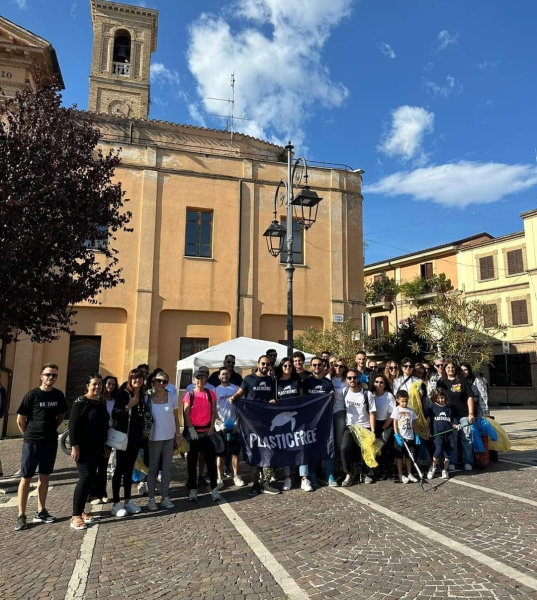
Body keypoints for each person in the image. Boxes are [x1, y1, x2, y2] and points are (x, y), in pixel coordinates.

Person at [15, 363, 68, 531]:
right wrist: (29, 434)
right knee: (26, 478)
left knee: (44, 477)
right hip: (31, 442)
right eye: (48, 374)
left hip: (50, 442)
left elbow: (60, 417)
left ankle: (41, 511)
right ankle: (21, 515)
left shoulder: (59, 395)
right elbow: (20, 420)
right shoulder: (32, 395)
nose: (51, 378)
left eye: (54, 375)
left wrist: (50, 430)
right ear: (41, 376)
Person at [229, 355, 279, 496]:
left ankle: (266, 483)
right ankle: (255, 483)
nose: (265, 366)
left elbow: (274, 397)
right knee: (254, 451)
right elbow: (239, 393)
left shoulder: (271, 380)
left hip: (267, 422)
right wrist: (233, 398)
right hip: (251, 422)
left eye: (267, 364)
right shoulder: (249, 379)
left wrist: (273, 401)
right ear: (258, 364)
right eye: (263, 363)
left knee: (268, 450)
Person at [69, 374, 110, 530]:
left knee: (91, 477)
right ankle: (75, 516)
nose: (97, 387)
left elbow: (104, 424)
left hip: (98, 446)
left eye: (99, 384)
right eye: (94, 384)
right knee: (85, 477)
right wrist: (75, 446)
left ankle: (81, 510)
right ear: (87, 385)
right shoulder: (81, 402)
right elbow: (73, 425)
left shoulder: (101, 402)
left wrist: (106, 444)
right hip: (83, 447)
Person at [111, 368, 147, 517]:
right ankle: (115, 503)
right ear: (130, 379)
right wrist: (128, 406)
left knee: (129, 470)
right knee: (119, 469)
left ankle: (127, 500)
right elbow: (115, 413)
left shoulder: (141, 395)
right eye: (134, 378)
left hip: (135, 438)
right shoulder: (124, 394)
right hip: (123, 438)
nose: (137, 381)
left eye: (139, 378)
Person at [183, 370, 221, 502]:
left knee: (211, 462)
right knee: (192, 462)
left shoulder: (210, 394)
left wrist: (211, 427)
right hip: (194, 433)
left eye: (202, 378)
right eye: (197, 379)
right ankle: (193, 489)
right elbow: (186, 413)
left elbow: (213, 411)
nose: (200, 381)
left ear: (205, 380)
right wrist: (191, 429)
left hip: (207, 432)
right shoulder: (189, 394)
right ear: (194, 381)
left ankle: (214, 489)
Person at [146, 371, 179, 511]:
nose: (161, 384)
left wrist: (178, 435)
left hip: (169, 437)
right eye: (159, 381)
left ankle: (165, 496)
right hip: (154, 437)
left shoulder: (172, 396)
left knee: (167, 468)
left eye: (164, 382)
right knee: (153, 468)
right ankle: (151, 498)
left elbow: (176, 418)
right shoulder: (147, 397)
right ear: (154, 382)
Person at [301, 357, 335, 490]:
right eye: (314, 365)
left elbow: (332, 401)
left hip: (325, 419)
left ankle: (330, 475)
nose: (317, 367)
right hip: (309, 420)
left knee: (328, 446)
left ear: (322, 366)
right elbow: (302, 400)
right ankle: (313, 475)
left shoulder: (327, 382)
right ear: (310, 367)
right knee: (310, 448)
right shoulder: (306, 382)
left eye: (319, 365)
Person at [437, 361, 475, 471]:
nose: (450, 369)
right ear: (445, 369)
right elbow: (438, 399)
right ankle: (452, 461)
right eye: (448, 367)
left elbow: (470, 397)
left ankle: (468, 461)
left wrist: (471, 413)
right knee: (452, 439)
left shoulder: (462, 381)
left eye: (452, 367)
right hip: (449, 415)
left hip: (463, 414)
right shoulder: (441, 382)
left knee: (466, 437)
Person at [341, 369, 376, 486]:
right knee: (344, 448)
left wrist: (373, 430)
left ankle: (365, 473)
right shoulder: (344, 391)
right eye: (349, 378)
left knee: (366, 451)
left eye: (354, 378)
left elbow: (372, 413)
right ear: (346, 380)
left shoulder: (367, 394)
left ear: (358, 379)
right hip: (350, 426)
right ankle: (349, 473)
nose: (352, 380)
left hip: (364, 426)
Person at [275, 357, 303, 491]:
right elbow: (273, 398)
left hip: (296, 418)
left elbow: (302, 399)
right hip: (281, 419)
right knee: (286, 448)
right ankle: (287, 478)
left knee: (301, 446)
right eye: (285, 365)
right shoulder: (276, 382)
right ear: (281, 367)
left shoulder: (297, 380)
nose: (288, 368)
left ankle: (304, 478)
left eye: (290, 366)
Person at [90, 375, 119, 505]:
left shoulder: (115, 400)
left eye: (113, 384)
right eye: (108, 384)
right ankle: (92, 494)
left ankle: (103, 492)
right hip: (96, 435)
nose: (110, 386)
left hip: (109, 434)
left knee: (103, 465)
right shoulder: (98, 399)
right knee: (93, 465)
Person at [214, 367, 244, 489]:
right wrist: (218, 422)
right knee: (220, 454)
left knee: (235, 453)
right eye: (222, 374)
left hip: (234, 425)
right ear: (219, 376)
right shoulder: (215, 391)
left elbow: (241, 406)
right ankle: (220, 478)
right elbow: (213, 410)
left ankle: (236, 475)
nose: (225, 376)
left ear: (229, 375)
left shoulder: (236, 388)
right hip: (220, 427)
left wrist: (237, 422)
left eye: (226, 374)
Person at [461, 362, 490, 468]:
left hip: (478, 411)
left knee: (480, 436)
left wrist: (484, 412)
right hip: (465, 411)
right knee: (468, 435)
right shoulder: (459, 381)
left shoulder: (476, 381)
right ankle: (470, 459)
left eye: (466, 370)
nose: (464, 372)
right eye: (461, 370)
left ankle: (482, 460)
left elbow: (483, 396)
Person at [425, 389, 458, 480]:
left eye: (442, 398)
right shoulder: (432, 407)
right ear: (435, 398)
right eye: (438, 398)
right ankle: (433, 468)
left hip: (448, 434)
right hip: (437, 434)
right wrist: (427, 431)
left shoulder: (448, 409)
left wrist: (456, 426)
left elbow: (451, 423)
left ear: (445, 398)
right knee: (438, 451)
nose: (440, 400)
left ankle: (445, 470)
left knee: (447, 453)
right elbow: (428, 420)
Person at [326, 357, 347, 486]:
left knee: (339, 443)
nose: (338, 368)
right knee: (330, 442)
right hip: (328, 413)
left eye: (341, 366)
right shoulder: (329, 377)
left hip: (340, 412)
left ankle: (340, 469)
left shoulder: (347, 380)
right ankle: (330, 471)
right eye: (336, 366)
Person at [371, 374, 396, 480]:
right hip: (374, 424)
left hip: (386, 424)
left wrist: (383, 428)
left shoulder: (389, 396)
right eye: (376, 382)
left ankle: (387, 470)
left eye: (381, 382)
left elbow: (392, 414)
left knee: (386, 448)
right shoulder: (370, 395)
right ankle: (378, 470)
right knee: (376, 449)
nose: (379, 384)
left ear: (385, 385)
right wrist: (375, 428)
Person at [391, 390, 419, 484]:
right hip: (400, 437)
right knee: (399, 457)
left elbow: (414, 423)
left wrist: (417, 435)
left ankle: (409, 473)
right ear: (398, 400)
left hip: (410, 437)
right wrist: (396, 435)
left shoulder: (411, 410)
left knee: (409, 456)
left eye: (406, 401)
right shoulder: (397, 409)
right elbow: (394, 422)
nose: (404, 403)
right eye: (402, 401)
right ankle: (400, 475)